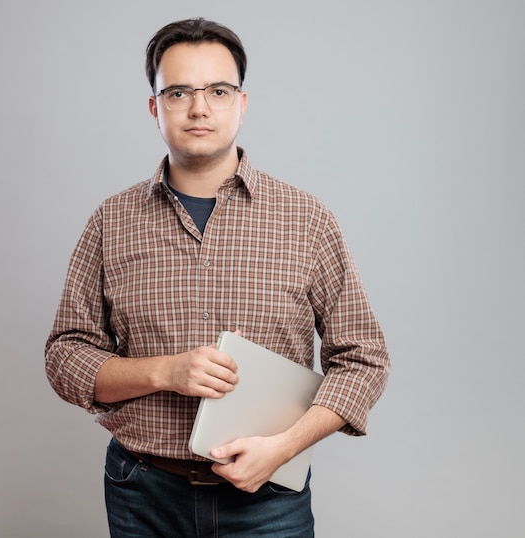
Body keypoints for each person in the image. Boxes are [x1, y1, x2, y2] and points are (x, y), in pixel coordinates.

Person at [45, 17, 390, 537]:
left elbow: (364, 360)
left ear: (242, 104)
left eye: (218, 90)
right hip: (142, 491)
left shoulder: (307, 219)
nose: (199, 107)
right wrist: (163, 372)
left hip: (268, 496)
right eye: (178, 91)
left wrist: (284, 447)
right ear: (154, 107)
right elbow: (65, 355)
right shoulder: (110, 222)